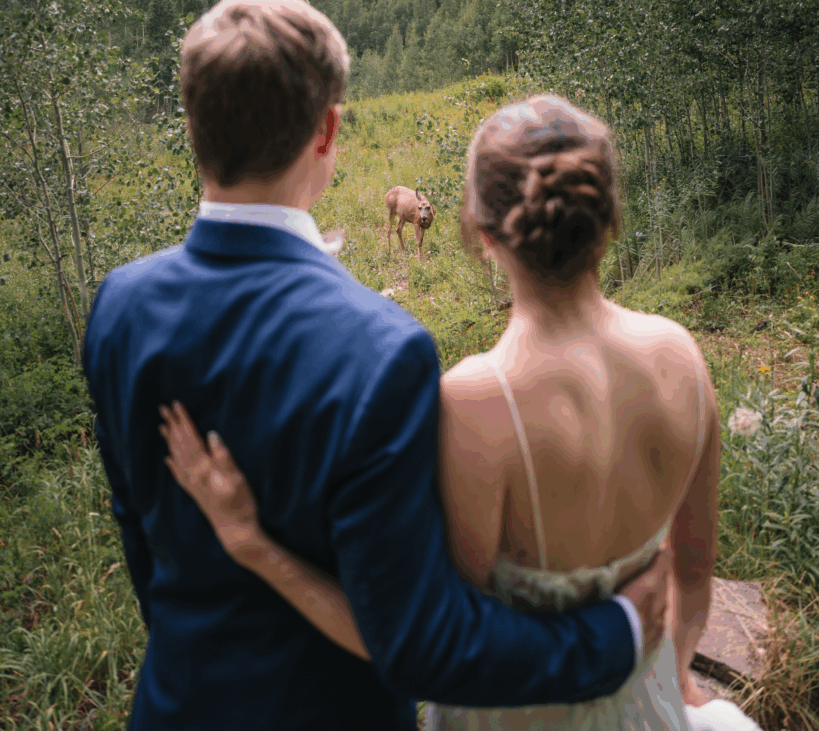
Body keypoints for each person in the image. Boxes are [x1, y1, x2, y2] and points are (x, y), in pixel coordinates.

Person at [84, 0, 669, 731]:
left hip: (175, 705)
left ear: (192, 126)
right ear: (327, 129)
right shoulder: (380, 348)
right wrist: (612, 637)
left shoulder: (119, 306)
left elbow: (140, 535)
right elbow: (420, 640)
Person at [159, 92, 763, 731]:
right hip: (647, 706)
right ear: (609, 213)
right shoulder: (680, 355)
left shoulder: (477, 398)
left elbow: (422, 635)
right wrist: (671, 683)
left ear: (479, 232)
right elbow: (694, 575)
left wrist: (253, 542)